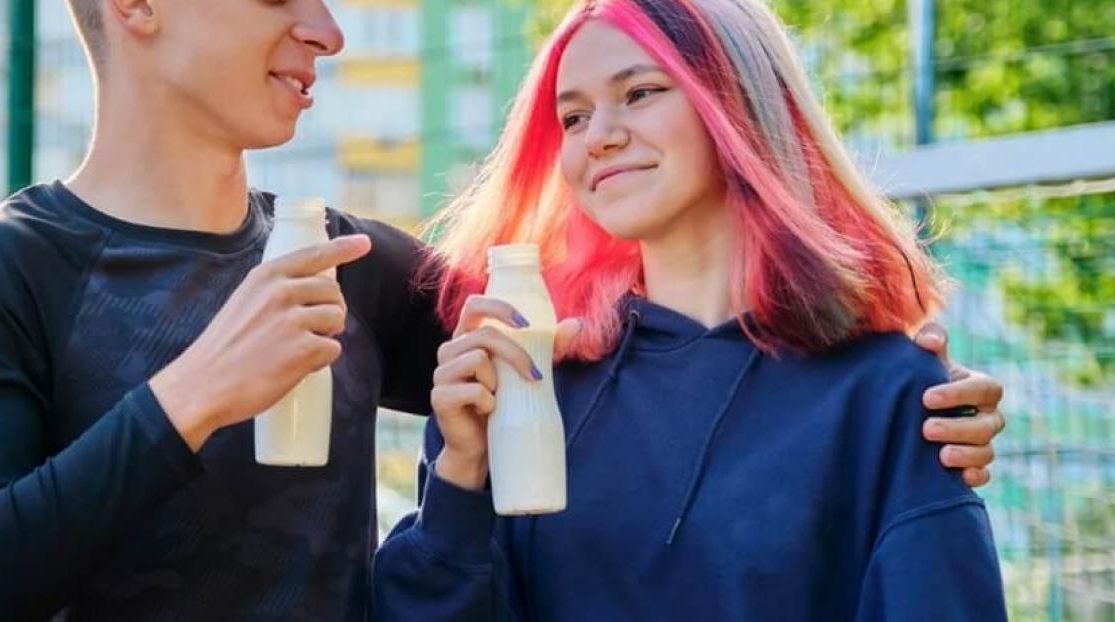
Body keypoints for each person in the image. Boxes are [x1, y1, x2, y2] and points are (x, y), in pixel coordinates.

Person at [0, 0, 1010, 619]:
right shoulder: (10, 271)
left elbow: (630, 340)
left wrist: (889, 366)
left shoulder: (355, 266)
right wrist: (194, 396)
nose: (326, 28)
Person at [372, 0, 1009, 619]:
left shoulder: (895, 394)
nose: (600, 136)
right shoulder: (527, 384)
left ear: (735, 103)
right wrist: (459, 479)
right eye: (572, 117)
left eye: (640, 92)